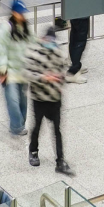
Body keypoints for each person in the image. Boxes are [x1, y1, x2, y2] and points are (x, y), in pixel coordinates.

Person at [24, 24, 73, 175]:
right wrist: (44, 77)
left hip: (54, 98)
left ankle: (60, 160)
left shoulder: (58, 53)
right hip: (39, 98)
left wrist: (60, 80)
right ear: (43, 38)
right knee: (37, 126)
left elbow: (62, 73)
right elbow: (27, 74)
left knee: (57, 130)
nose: (51, 43)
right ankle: (33, 151)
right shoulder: (34, 53)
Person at [0, 0, 33, 136]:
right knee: (13, 101)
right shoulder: (6, 28)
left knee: (23, 101)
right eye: (19, 13)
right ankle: (16, 127)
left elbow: (33, 44)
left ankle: (20, 124)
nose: (22, 15)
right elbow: (1, 49)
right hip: (10, 71)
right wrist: (2, 70)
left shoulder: (25, 28)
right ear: (13, 13)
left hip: (23, 70)